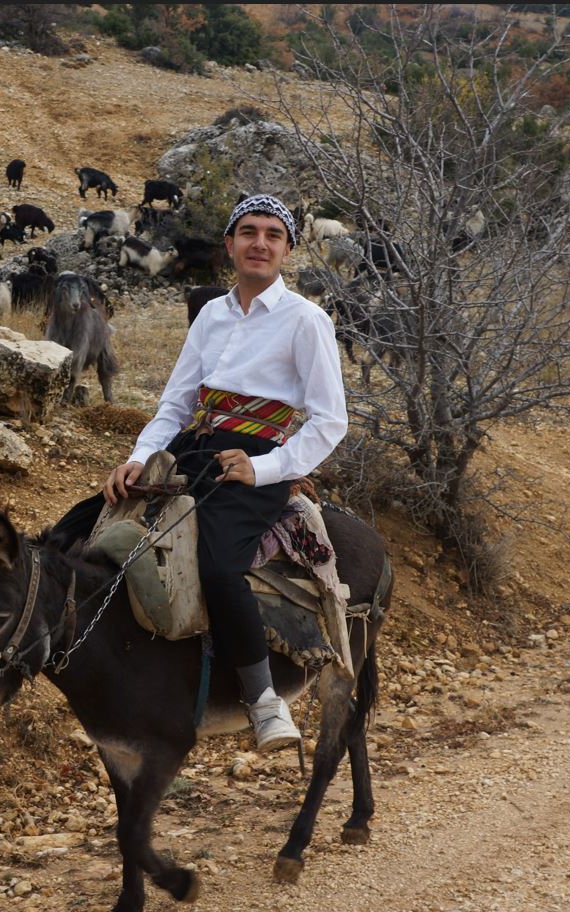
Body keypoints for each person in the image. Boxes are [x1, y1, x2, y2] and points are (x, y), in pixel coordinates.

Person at [52, 194, 348, 751]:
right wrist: (139, 459)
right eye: (248, 232)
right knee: (77, 526)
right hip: (193, 449)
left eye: (272, 235)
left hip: (254, 460)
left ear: (286, 249)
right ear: (230, 244)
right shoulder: (212, 314)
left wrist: (263, 469)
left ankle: (265, 704)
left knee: (216, 565)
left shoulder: (306, 321)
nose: (259, 243)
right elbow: (176, 404)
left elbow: (330, 422)